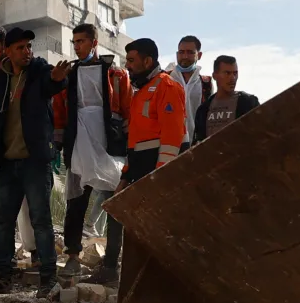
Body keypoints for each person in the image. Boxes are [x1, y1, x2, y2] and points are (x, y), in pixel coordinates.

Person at [0, 27, 66, 290]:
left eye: (29, 46)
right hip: (5, 162)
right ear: (7, 50)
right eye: (20, 47)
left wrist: (58, 79)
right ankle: (2, 276)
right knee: (2, 222)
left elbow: (52, 83)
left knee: (41, 220)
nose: (27, 51)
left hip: (34, 161)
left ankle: (48, 278)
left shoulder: (40, 72)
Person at [97, 37, 186, 287]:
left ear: (148, 61)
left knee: (156, 233)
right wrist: (125, 176)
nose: (128, 66)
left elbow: (172, 138)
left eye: (132, 60)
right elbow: (135, 143)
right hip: (139, 174)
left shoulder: (167, 87)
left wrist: (160, 178)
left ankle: (161, 283)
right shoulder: (141, 93)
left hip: (156, 177)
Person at [58, 21, 128, 278]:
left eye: (81, 42)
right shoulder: (68, 74)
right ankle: (73, 256)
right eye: (74, 42)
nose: (77, 47)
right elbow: (60, 109)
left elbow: (125, 109)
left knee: (114, 200)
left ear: (94, 43)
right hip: (78, 142)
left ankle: (111, 261)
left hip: (108, 144)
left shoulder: (116, 74)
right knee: (75, 200)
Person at [193, 56, 260, 142]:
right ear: (215, 76)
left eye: (235, 73)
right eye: (227, 73)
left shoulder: (248, 103)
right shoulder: (203, 109)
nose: (232, 78)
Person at [171, 35, 210, 150]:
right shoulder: (166, 79)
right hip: (170, 145)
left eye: (190, 52)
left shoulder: (206, 83)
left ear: (199, 55)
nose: (185, 56)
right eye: (181, 52)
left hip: (197, 145)